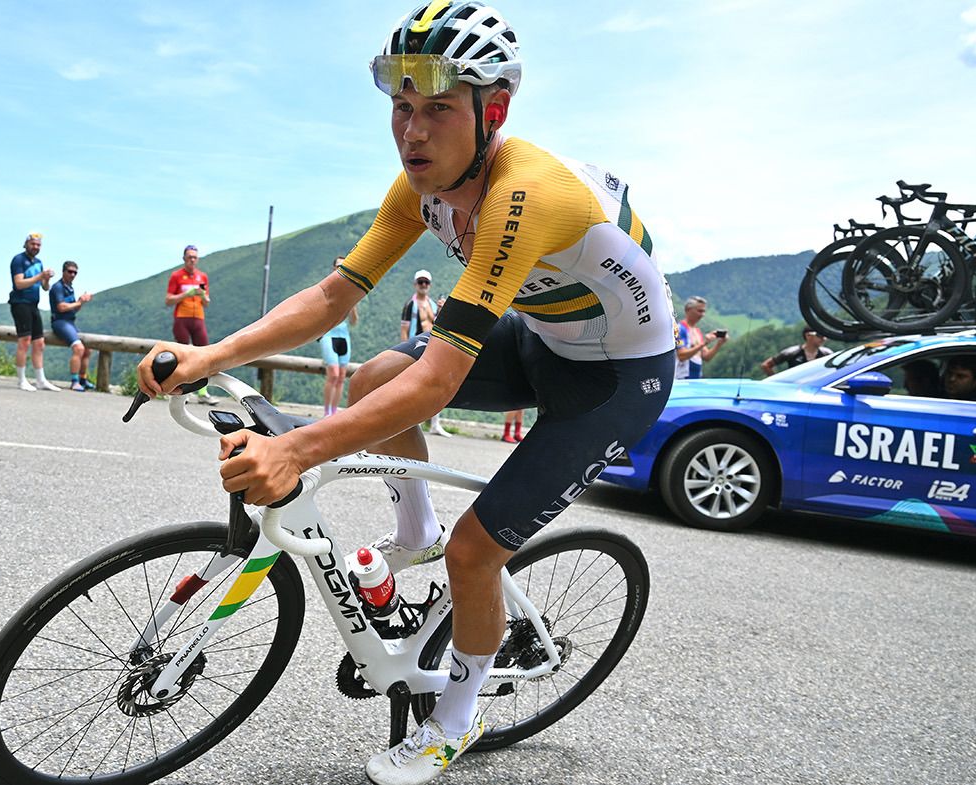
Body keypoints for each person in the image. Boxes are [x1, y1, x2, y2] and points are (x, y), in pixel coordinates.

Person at [137, 4, 675, 782]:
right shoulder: (421, 186)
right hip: (544, 338)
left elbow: (441, 380)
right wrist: (206, 355)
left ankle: (453, 720)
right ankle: (414, 528)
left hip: (619, 378)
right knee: (371, 374)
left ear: (493, 112)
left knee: (477, 550)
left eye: (438, 110)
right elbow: (333, 296)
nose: (412, 133)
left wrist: (294, 446)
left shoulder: (524, 195)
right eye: (401, 108)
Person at [401, 269, 452, 437]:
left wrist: (442, 310)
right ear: (415, 284)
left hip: (430, 347)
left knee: (434, 384)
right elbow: (404, 329)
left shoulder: (432, 304)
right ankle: (412, 422)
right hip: (414, 347)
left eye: (426, 282)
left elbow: (437, 324)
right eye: (421, 282)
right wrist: (402, 350)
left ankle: (434, 424)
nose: (423, 285)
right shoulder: (410, 304)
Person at [9, 232, 60, 392]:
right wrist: (39, 276)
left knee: (39, 343)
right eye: (33, 244)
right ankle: (21, 379)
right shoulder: (18, 260)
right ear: (26, 244)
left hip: (33, 304)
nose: (35, 247)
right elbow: (19, 284)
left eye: (38, 245)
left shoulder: (38, 262)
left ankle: (40, 380)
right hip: (20, 303)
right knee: (24, 341)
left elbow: (45, 288)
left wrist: (46, 279)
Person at [165, 244, 215, 403]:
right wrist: (186, 294)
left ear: (197, 259)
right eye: (189, 257)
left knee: (204, 354)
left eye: (194, 257)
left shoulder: (202, 277)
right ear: (184, 258)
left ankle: (202, 392)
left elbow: (207, 302)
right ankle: (182, 392)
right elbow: (168, 300)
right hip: (182, 318)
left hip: (199, 319)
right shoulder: (176, 276)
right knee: (183, 356)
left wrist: (202, 296)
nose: (192, 260)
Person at [320, 256, 359, 417]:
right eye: (338, 266)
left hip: (344, 336)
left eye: (344, 266)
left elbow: (354, 321)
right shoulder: (327, 288)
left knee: (341, 376)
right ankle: (326, 411)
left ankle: (333, 413)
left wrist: (353, 300)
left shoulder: (350, 291)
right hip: (329, 335)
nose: (341, 268)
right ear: (333, 268)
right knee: (333, 374)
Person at [49, 261, 94, 391]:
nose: (72, 274)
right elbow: (61, 307)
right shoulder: (58, 287)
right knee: (79, 348)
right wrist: (79, 301)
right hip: (60, 322)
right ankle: (74, 382)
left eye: (75, 272)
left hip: (70, 322)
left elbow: (72, 309)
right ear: (63, 272)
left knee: (88, 349)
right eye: (70, 271)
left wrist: (81, 302)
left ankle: (82, 379)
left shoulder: (70, 288)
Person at [674, 295, 727, 379]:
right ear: (688, 310)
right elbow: (681, 355)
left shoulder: (697, 331)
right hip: (682, 379)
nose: (702, 315)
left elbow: (706, 356)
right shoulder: (679, 330)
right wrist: (704, 343)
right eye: (699, 311)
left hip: (696, 378)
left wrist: (719, 344)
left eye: (704, 311)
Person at [761, 328, 832, 375]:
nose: (824, 339)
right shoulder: (791, 352)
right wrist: (778, 384)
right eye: (820, 335)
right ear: (808, 336)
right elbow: (766, 365)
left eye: (825, 336)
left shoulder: (827, 354)